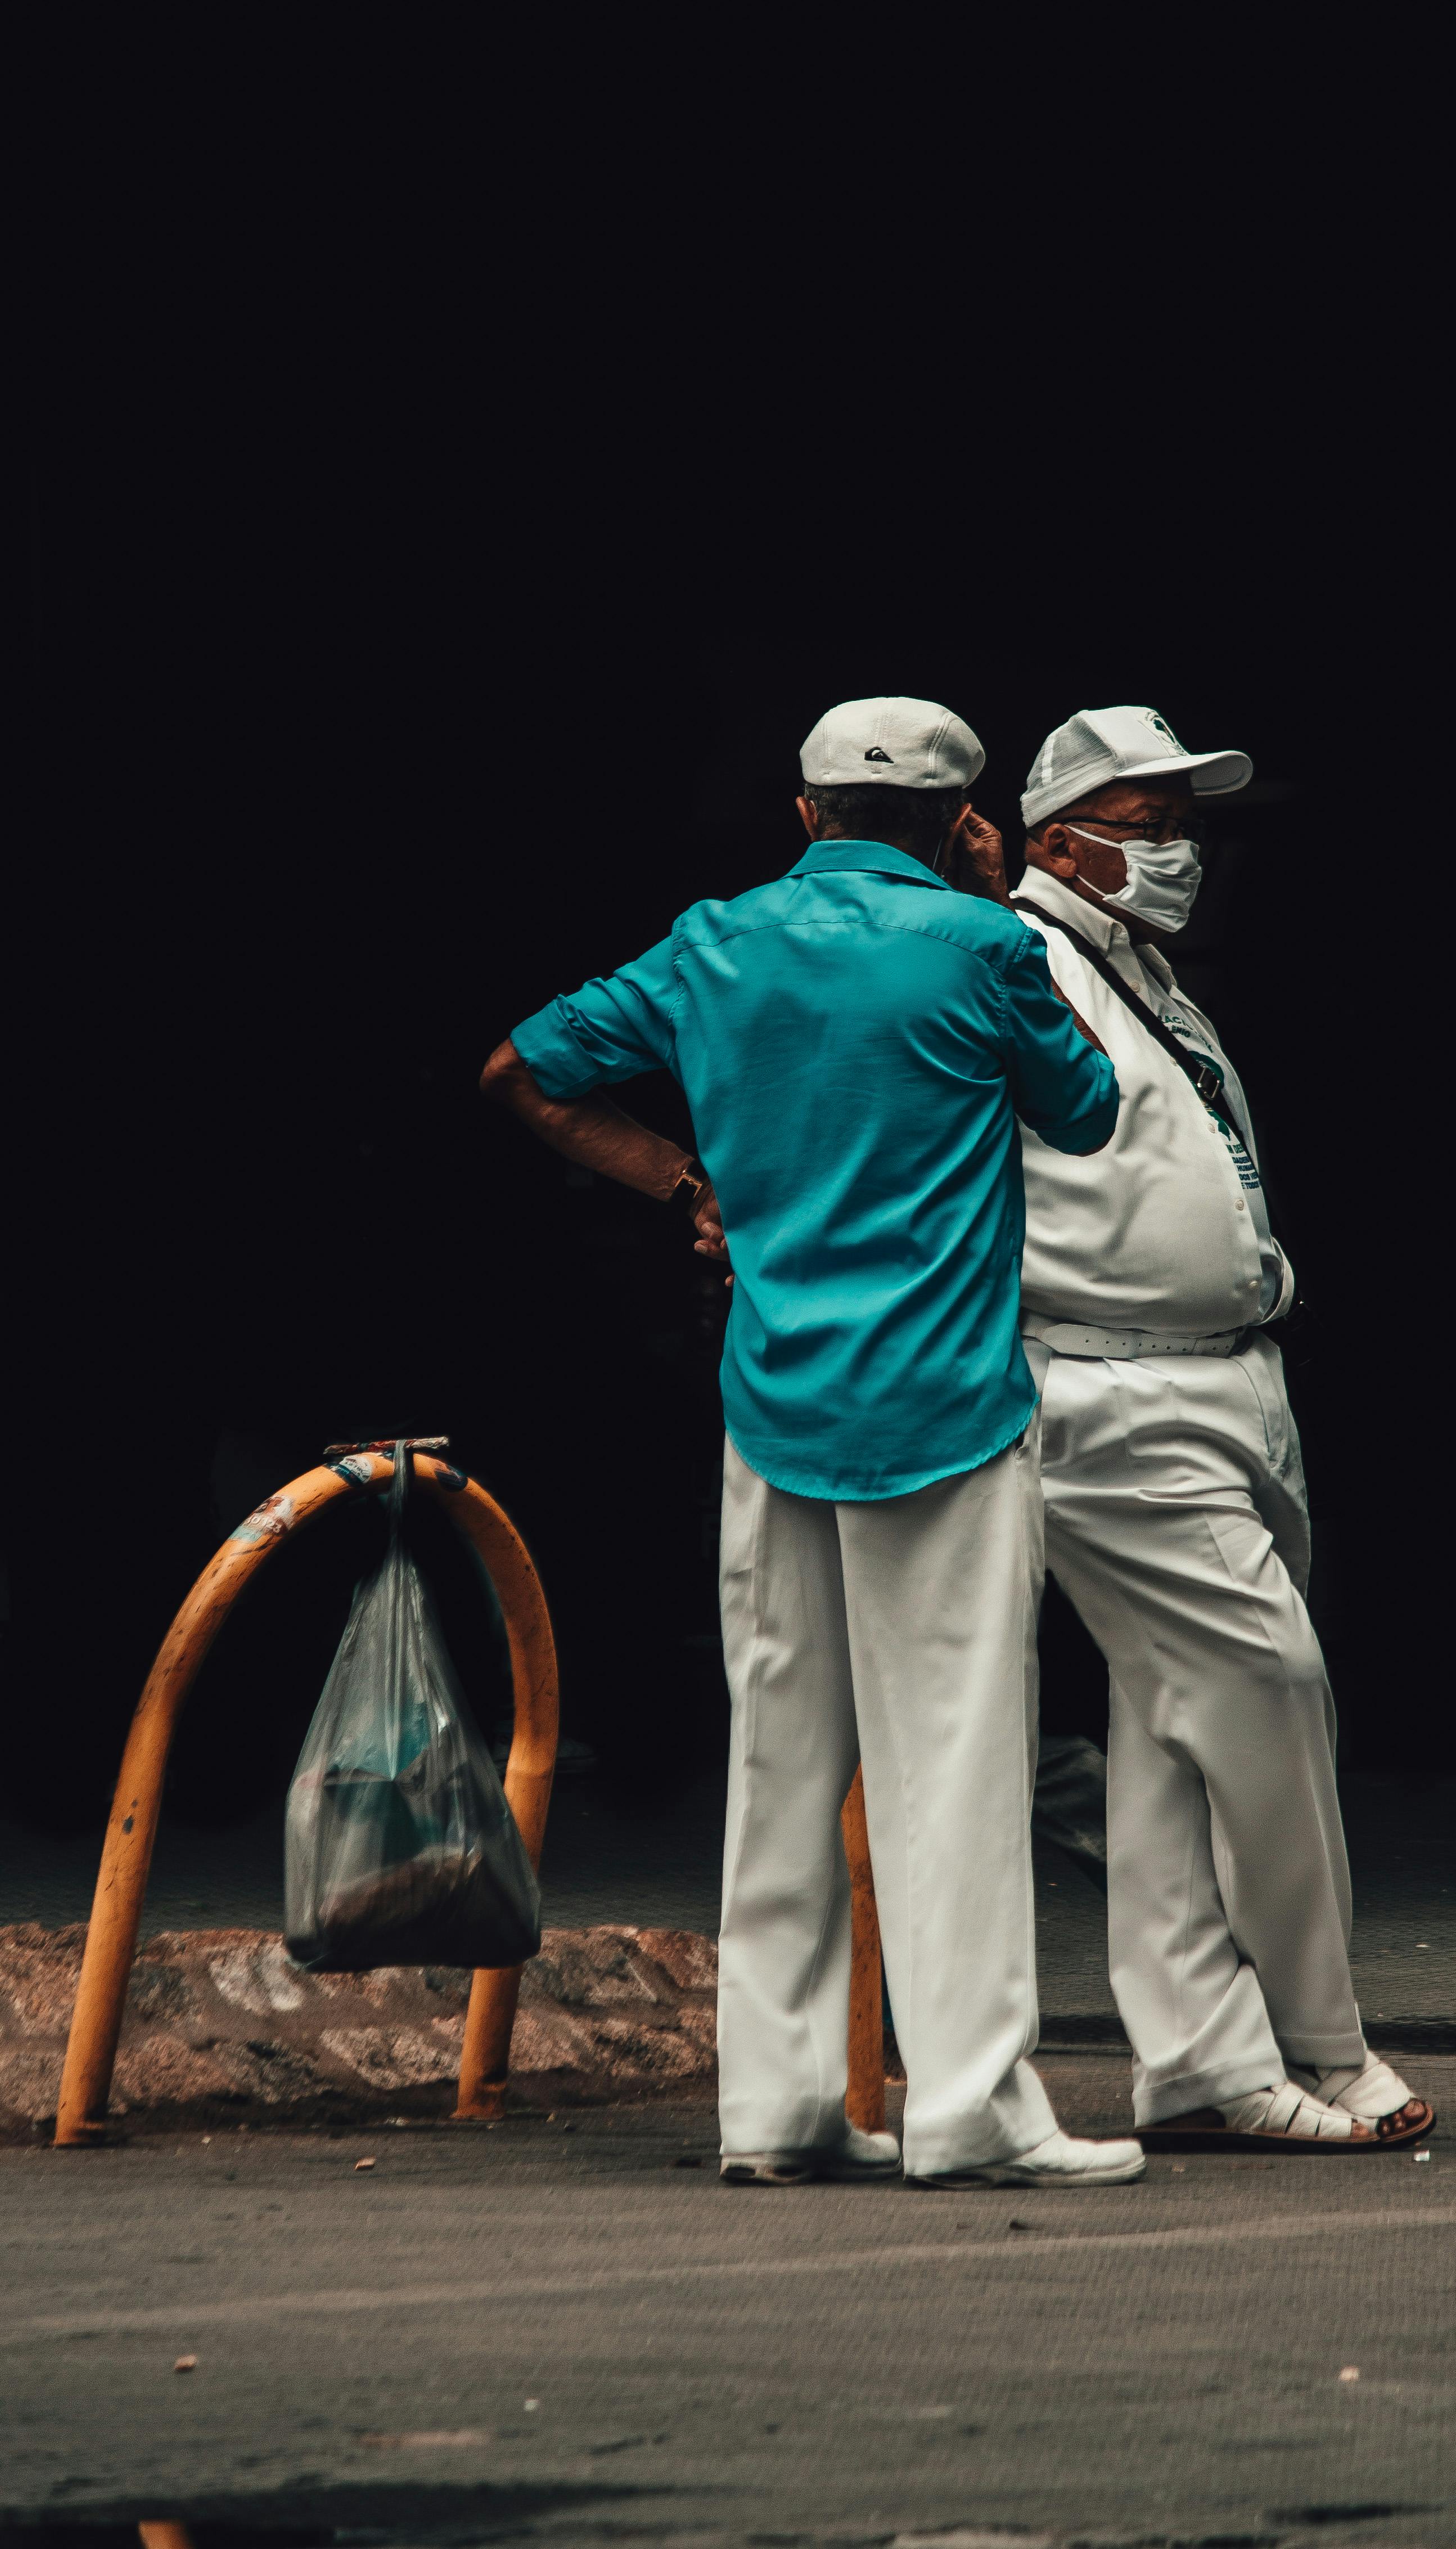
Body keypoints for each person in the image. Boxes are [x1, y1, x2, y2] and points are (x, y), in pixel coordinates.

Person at [481, 697, 1144, 2189]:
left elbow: (519, 1073)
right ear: (957, 821)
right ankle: (972, 2107)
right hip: (950, 1410)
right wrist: (985, 902)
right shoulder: (984, 946)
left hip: (772, 1408)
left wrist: (679, 1182)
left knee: (781, 1764)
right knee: (956, 1766)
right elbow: (1092, 1114)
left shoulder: (713, 943)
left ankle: (773, 2113)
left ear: (802, 815)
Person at [1008, 704, 1435, 2154]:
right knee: (1266, 1685)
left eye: (1186, 821)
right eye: (1147, 822)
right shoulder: (1024, 961)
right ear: (1059, 835)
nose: (1178, 849)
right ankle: (1326, 2037)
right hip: (1116, 1389)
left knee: (1174, 1733)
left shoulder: (1140, 972)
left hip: (1221, 1374)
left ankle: (1196, 2061)